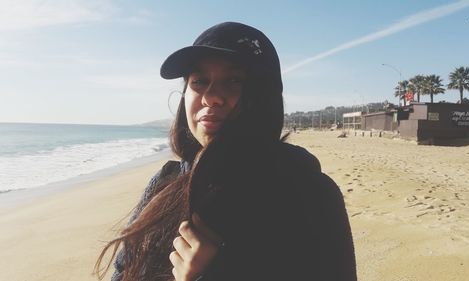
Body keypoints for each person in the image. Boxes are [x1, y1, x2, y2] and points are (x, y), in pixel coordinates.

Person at [95, 22, 356, 281]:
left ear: (266, 97)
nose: (211, 97)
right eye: (199, 80)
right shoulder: (164, 184)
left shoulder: (310, 195)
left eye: (234, 80)